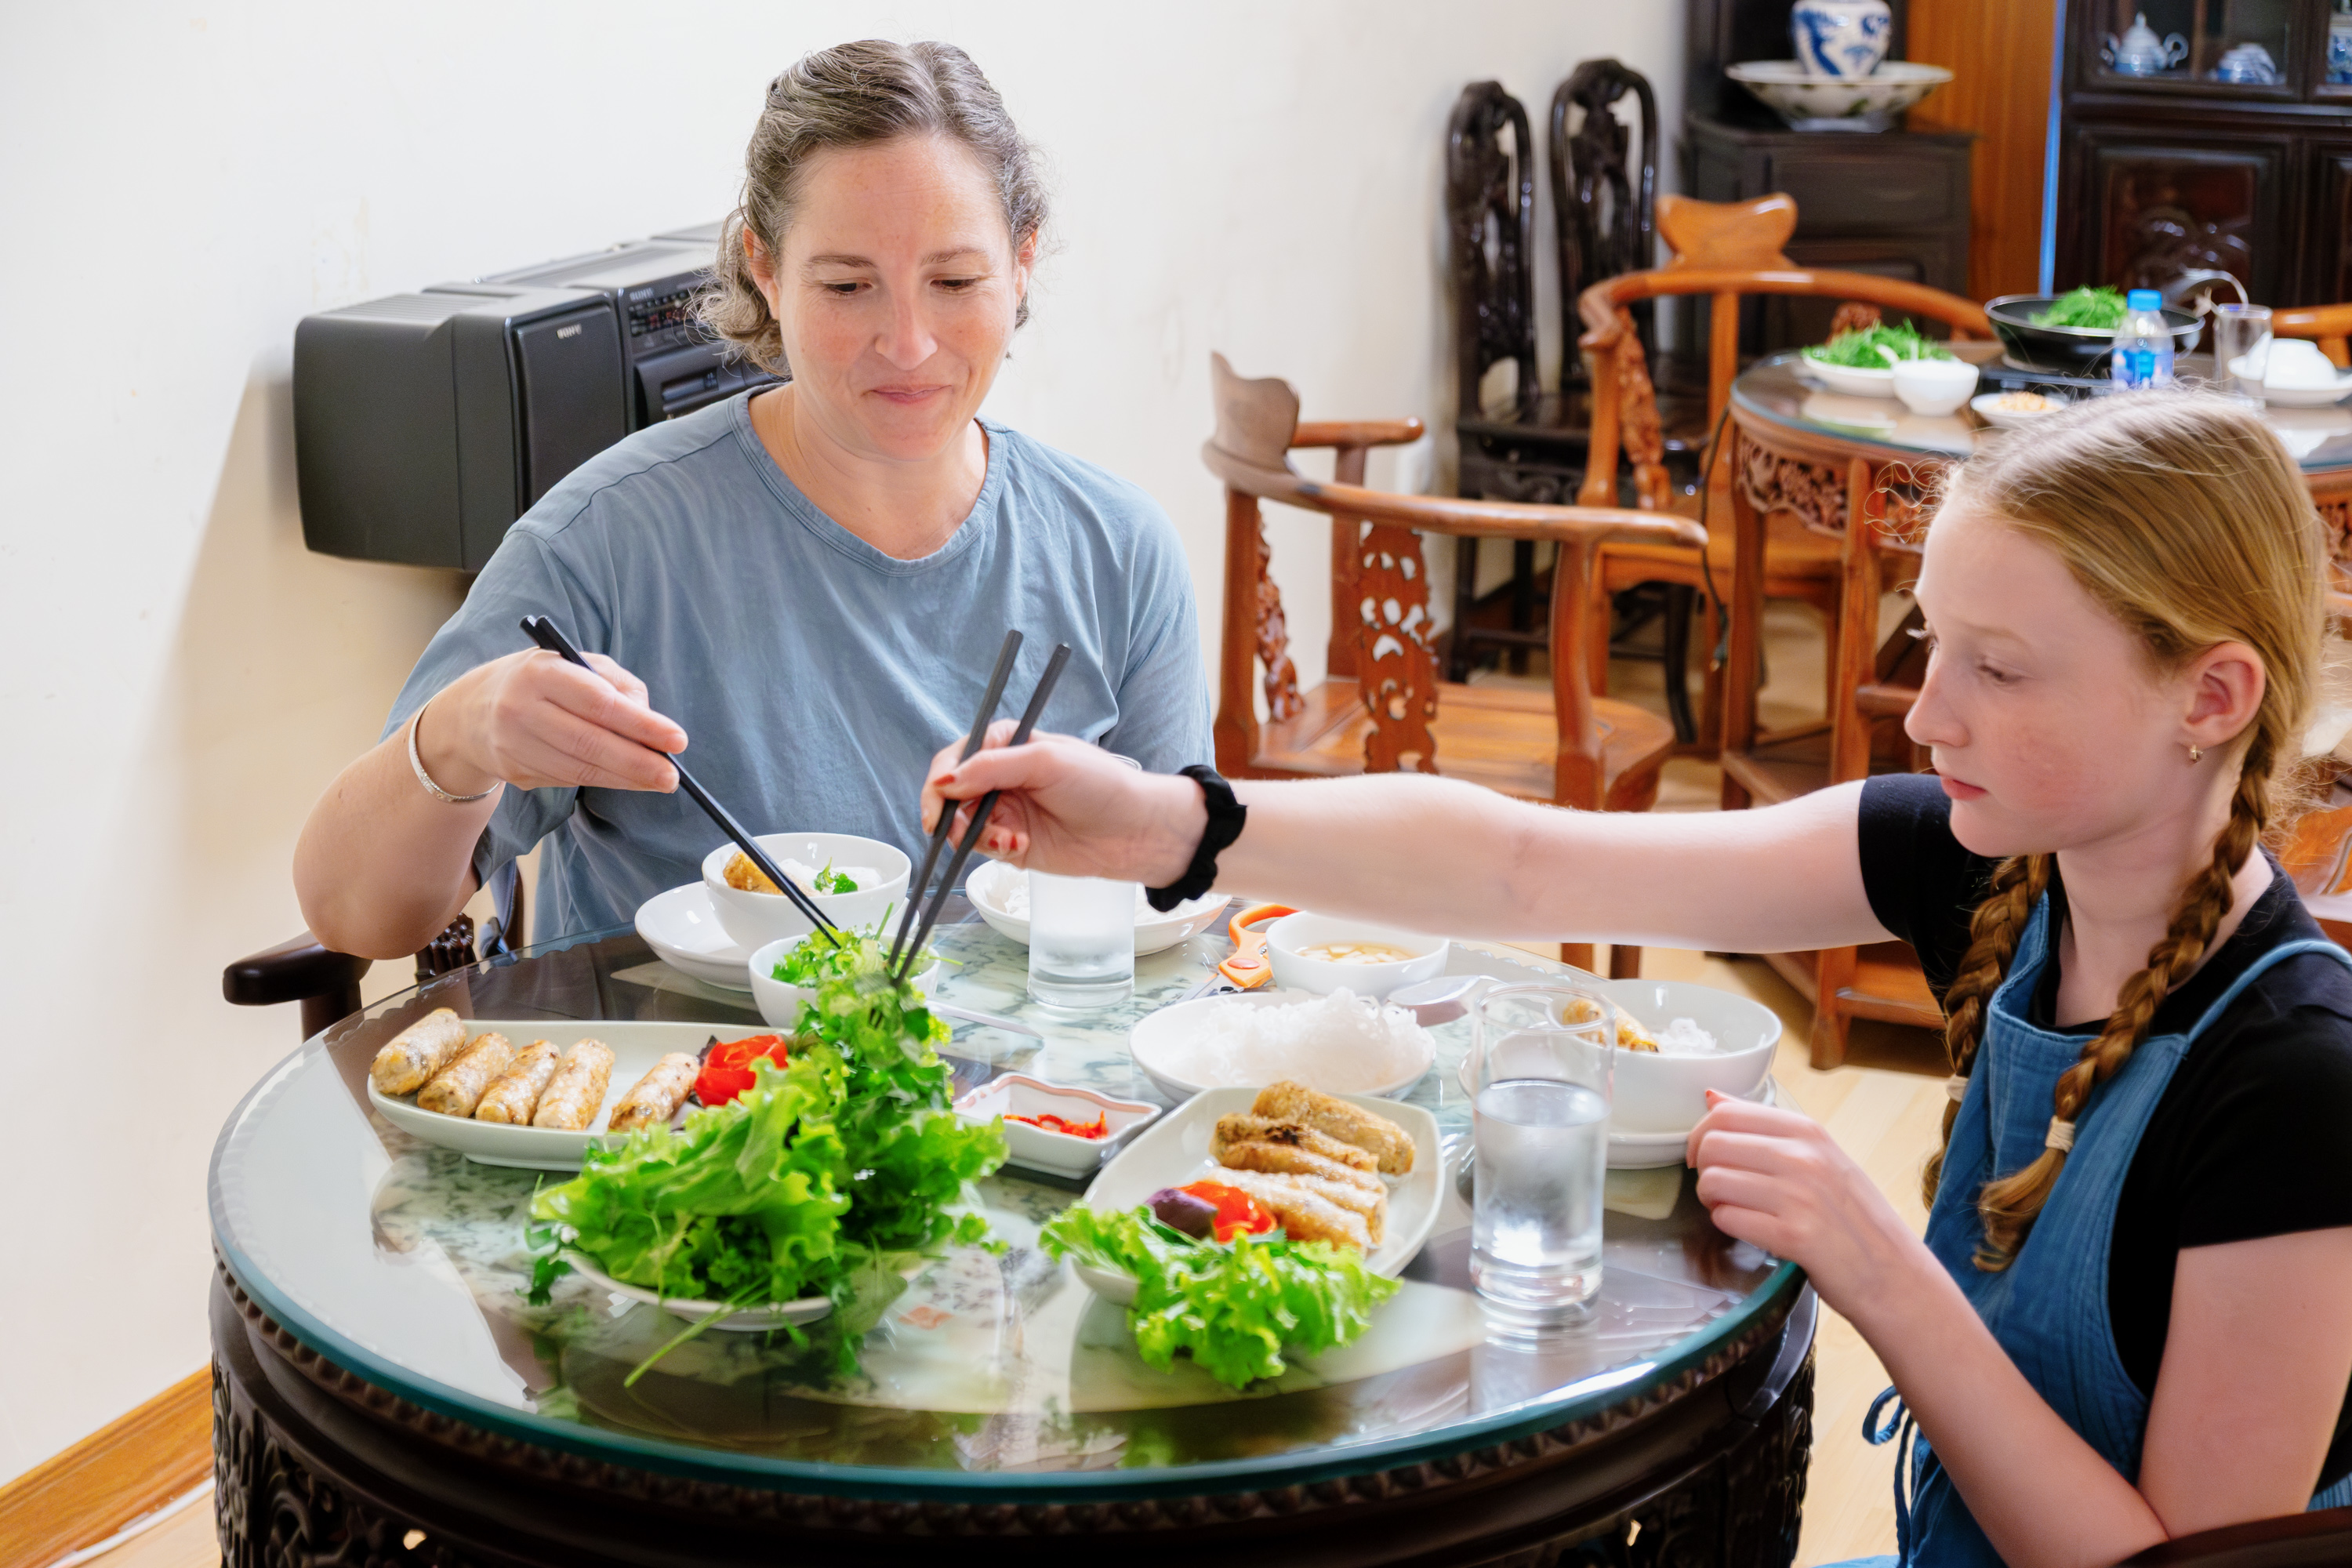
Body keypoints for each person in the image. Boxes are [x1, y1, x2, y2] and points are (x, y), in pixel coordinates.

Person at [921, 393, 2352, 1566]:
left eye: (2002, 669)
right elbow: (1528, 867)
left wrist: (1880, 1269)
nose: (1926, 710)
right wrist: (1172, 821)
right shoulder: (1986, 866)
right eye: (1933, 642)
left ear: (2210, 697)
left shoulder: (2296, 1081)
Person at [295, 39, 1209, 957]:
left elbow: (1177, 924)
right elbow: (355, 913)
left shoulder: (1116, 548)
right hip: (687, 1085)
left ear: (1022, 264)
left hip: (1036, 1096)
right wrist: (455, 737)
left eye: (956, 281)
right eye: (848, 285)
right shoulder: (609, 542)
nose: (909, 342)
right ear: (765, 269)